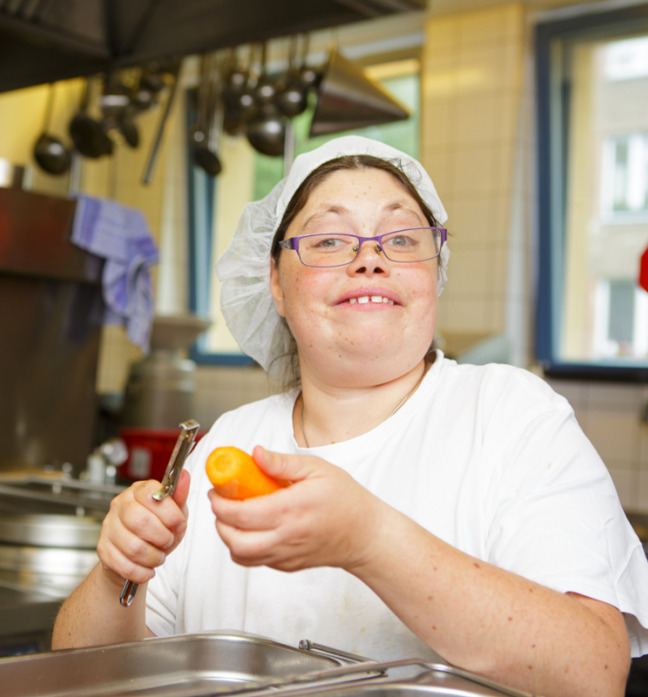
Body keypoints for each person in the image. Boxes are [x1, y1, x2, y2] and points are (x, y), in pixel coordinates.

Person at [52, 136, 648, 697]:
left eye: (402, 238)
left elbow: (593, 673)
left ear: (435, 272)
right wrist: (117, 574)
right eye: (330, 241)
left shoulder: (510, 417)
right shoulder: (229, 442)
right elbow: (81, 676)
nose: (369, 260)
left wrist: (370, 539)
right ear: (275, 285)